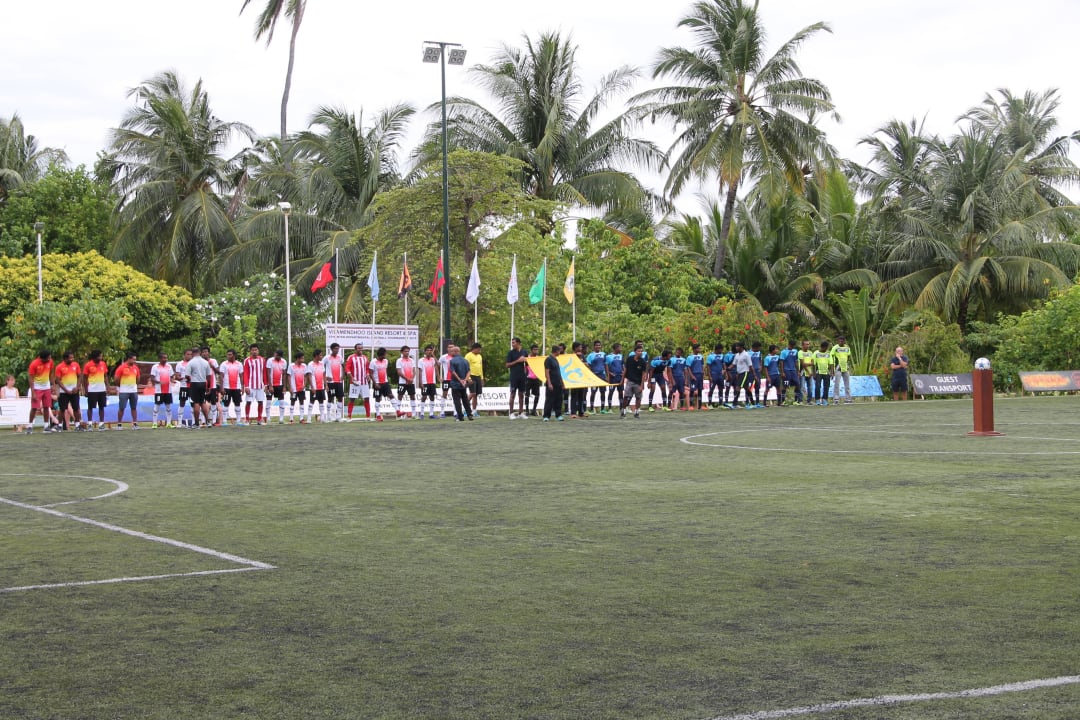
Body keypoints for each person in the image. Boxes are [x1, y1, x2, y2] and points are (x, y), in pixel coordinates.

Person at [27, 350, 57, 433]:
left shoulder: (50, 362)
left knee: (47, 407)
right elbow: (31, 378)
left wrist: (53, 385)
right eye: (48, 358)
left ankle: (46, 426)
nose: (50, 359)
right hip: (37, 388)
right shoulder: (34, 364)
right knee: (34, 407)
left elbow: (51, 374)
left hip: (46, 388)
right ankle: (30, 426)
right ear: (42, 358)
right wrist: (33, 392)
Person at [54, 351, 84, 430]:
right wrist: (66, 390)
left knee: (76, 408)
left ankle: (77, 425)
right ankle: (59, 425)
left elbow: (80, 376)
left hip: (74, 391)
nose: (72, 359)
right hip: (64, 392)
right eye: (70, 358)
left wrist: (77, 387)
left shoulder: (76, 365)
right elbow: (58, 380)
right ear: (65, 358)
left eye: (72, 357)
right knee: (62, 409)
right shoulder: (59, 367)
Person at [185, 347, 213, 428]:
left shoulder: (190, 362)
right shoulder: (205, 362)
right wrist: (208, 386)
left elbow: (187, 375)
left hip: (194, 383)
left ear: (192, 353)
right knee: (203, 402)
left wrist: (188, 380)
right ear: (200, 352)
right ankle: (208, 422)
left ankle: (196, 423)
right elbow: (209, 376)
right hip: (203, 383)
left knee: (196, 403)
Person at [370, 347, 400, 422]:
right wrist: (375, 383)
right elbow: (370, 373)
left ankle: (398, 411)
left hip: (385, 382)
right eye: (385, 354)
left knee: (391, 395)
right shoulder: (373, 362)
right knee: (378, 398)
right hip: (377, 383)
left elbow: (385, 371)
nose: (386, 355)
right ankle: (378, 415)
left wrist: (386, 380)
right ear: (381, 354)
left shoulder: (385, 361)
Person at [114, 352, 141, 429]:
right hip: (124, 391)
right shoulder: (121, 367)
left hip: (133, 391)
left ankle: (135, 424)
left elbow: (138, 378)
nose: (134, 361)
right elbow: (116, 378)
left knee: (134, 407)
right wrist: (121, 386)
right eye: (133, 359)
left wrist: (135, 385)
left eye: (135, 359)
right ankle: (119, 424)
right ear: (129, 359)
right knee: (122, 407)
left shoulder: (136, 368)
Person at [621, 341, 648, 419]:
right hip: (630, 381)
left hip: (638, 382)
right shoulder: (629, 359)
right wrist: (622, 380)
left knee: (638, 398)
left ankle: (636, 412)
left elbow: (643, 374)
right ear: (635, 352)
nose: (640, 352)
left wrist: (642, 385)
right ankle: (623, 411)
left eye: (641, 351)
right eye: (638, 351)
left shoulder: (643, 362)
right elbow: (625, 370)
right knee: (626, 397)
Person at [346, 343, 372, 421]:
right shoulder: (351, 357)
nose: (360, 350)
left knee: (366, 398)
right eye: (358, 348)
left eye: (361, 348)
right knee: (352, 399)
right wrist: (352, 378)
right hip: (355, 382)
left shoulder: (365, 358)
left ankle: (368, 416)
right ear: (355, 349)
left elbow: (367, 368)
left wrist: (368, 375)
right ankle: (349, 416)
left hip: (364, 382)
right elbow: (347, 369)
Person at [149, 351, 175, 428]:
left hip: (168, 391)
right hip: (159, 391)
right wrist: (159, 382)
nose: (165, 359)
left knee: (168, 407)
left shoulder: (169, 366)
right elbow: (152, 378)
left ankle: (169, 423)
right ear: (160, 358)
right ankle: (154, 423)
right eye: (164, 358)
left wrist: (172, 379)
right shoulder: (155, 367)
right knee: (156, 407)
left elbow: (172, 376)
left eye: (166, 358)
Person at [447, 345, 473, 421]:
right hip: (464, 384)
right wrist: (465, 379)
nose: (451, 352)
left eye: (452, 351)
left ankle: (460, 416)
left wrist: (460, 380)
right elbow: (469, 371)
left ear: (456, 352)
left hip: (455, 384)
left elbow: (453, 372)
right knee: (465, 399)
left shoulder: (452, 361)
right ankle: (469, 414)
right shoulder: (465, 360)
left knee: (457, 400)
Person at [243, 343, 268, 425]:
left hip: (260, 386)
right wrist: (246, 386)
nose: (254, 351)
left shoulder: (262, 360)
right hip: (251, 386)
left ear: (258, 351)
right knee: (249, 402)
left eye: (256, 350)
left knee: (260, 402)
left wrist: (266, 384)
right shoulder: (247, 360)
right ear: (250, 351)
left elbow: (264, 372)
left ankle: (259, 419)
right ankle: (246, 419)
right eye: (253, 350)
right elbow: (245, 374)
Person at [505, 337, 529, 419]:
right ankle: (511, 413)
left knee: (521, 394)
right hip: (514, 376)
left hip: (522, 376)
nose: (512, 344)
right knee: (513, 394)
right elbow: (507, 365)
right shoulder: (511, 353)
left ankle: (521, 412)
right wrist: (518, 361)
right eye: (512, 343)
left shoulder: (524, 352)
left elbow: (528, 364)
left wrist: (527, 369)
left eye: (514, 343)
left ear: (518, 343)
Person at [219, 349, 245, 425]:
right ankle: (224, 421)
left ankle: (238, 420)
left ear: (234, 355)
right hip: (227, 388)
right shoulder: (224, 364)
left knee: (237, 404)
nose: (228, 356)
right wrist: (222, 387)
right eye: (227, 354)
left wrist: (242, 387)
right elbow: (221, 376)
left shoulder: (239, 364)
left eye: (230, 354)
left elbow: (241, 376)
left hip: (236, 388)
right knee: (226, 404)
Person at [323, 342, 346, 422]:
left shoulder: (340, 357)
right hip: (331, 382)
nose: (337, 350)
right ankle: (329, 416)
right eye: (336, 349)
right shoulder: (327, 358)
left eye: (338, 349)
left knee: (340, 397)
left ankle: (338, 416)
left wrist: (343, 375)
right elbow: (321, 368)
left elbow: (344, 366)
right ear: (331, 349)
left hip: (338, 381)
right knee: (330, 398)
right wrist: (325, 377)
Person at [542, 344, 565, 421]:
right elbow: (547, 372)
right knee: (549, 400)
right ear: (556, 351)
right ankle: (546, 416)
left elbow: (559, 373)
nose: (560, 352)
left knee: (559, 400)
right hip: (552, 383)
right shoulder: (548, 359)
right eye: (559, 351)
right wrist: (549, 383)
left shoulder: (556, 360)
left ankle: (558, 415)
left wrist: (562, 383)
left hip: (558, 383)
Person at [200, 346, 222, 427]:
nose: (205, 353)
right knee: (202, 403)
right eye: (203, 352)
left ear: (209, 353)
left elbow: (218, 371)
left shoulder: (213, 361)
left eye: (206, 352)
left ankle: (213, 421)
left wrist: (212, 366)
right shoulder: (200, 362)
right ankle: (203, 421)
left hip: (212, 385)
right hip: (202, 385)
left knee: (213, 403)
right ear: (201, 353)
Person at [417, 345, 439, 419]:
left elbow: (438, 364)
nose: (429, 352)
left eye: (430, 350)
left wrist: (433, 355)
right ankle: (422, 413)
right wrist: (421, 382)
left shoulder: (433, 360)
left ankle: (431, 414)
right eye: (428, 350)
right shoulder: (421, 360)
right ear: (425, 351)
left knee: (432, 397)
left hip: (432, 382)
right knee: (424, 396)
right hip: (425, 382)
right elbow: (420, 372)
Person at [266, 349, 289, 423]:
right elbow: (268, 373)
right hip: (271, 384)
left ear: (280, 356)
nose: (275, 356)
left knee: (281, 401)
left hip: (280, 385)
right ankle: (268, 418)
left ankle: (281, 418)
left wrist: (284, 386)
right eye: (275, 354)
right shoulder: (270, 360)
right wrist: (270, 385)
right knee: (268, 401)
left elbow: (284, 374)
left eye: (277, 355)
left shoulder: (284, 361)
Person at [830, 336, 853, 405]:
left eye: (842, 341)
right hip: (838, 367)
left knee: (847, 384)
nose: (841, 342)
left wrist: (846, 364)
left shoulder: (847, 348)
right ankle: (836, 399)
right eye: (840, 341)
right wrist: (833, 369)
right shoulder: (835, 348)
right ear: (838, 341)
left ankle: (848, 399)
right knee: (837, 384)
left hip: (845, 367)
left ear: (844, 341)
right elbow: (832, 357)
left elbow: (848, 356)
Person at [585, 340, 607, 414]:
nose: (598, 346)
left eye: (599, 345)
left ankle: (603, 408)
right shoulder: (590, 355)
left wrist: (607, 375)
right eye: (597, 345)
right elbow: (588, 366)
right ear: (594, 346)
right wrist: (591, 374)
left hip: (602, 375)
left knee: (603, 392)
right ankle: (591, 409)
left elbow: (606, 364)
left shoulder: (603, 354)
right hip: (594, 376)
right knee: (593, 392)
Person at [173, 348, 193, 427]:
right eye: (188, 354)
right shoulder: (180, 364)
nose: (189, 356)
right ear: (184, 355)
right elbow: (177, 376)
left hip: (192, 387)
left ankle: (194, 421)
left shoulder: (193, 363)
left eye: (191, 354)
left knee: (193, 404)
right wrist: (183, 378)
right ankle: (180, 422)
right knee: (182, 403)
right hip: (184, 386)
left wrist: (191, 379)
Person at [395, 345, 417, 419]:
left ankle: (414, 414)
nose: (407, 353)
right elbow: (399, 372)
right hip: (402, 382)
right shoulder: (399, 360)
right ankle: (398, 413)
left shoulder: (412, 360)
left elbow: (414, 371)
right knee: (400, 396)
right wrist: (407, 378)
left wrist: (412, 378)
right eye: (405, 351)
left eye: (408, 351)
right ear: (402, 352)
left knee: (412, 396)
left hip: (411, 382)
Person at [288, 350, 310, 423]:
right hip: (294, 388)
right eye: (302, 358)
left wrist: (304, 385)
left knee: (302, 402)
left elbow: (306, 376)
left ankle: (301, 419)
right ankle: (291, 419)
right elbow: (288, 376)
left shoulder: (304, 366)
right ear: (297, 358)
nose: (303, 360)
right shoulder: (291, 366)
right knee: (292, 402)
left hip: (301, 388)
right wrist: (290, 387)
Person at [779, 340, 802, 406]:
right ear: (789, 344)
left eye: (793, 346)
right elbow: (781, 362)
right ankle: (783, 401)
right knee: (785, 385)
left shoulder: (795, 351)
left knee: (797, 384)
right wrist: (782, 372)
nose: (792, 347)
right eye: (791, 346)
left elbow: (796, 361)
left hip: (794, 371)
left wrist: (798, 371)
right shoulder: (783, 352)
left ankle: (796, 400)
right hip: (786, 371)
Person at [308, 348, 329, 421]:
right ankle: (309, 418)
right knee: (312, 401)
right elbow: (309, 376)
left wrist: (326, 385)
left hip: (321, 386)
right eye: (320, 355)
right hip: (314, 387)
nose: (321, 356)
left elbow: (324, 375)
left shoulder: (322, 364)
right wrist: (312, 387)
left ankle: (322, 418)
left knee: (321, 402)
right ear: (316, 356)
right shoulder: (310, 364)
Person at [731, 342, 753, 409]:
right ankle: (753, 402)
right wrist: (726, 369)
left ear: (741, 347)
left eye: (737, 346)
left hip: (745, 373)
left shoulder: (746, 355)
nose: (736, 348)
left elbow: (750, 366)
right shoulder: (737, 355)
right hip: (739, 373)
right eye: (736, 346)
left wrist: (754, 375)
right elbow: (733, 364)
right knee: (747, 388)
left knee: (738, 387)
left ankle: (734, 403)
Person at [464, 342, 484, 413]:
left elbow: (481, 367)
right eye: (479, 349)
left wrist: (482, 378)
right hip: (471, 376)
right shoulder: (468, 356)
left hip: (478, 376)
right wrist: (468, 378)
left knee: (476, 394)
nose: (479, 351)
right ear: (474, 349)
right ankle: (465, 409)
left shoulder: (479, 356)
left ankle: (474, 411)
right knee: (472, 393)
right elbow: (465, 367)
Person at [812, 341, 833, 406]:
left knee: (826, 387)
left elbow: (831, 364)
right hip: (818, 372)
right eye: (826, 347)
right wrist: (814, 373)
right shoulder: (816, 353)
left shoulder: (828, 354)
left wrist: (832, 373)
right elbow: (813, 364)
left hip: (826, 373)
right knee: (818, 387)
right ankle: (817, 400)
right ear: (823, 347)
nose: (826, 349)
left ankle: (824, 400)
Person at [706, 344, 725, 409]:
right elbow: (708, 366)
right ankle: (709, 404)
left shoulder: (722, 355)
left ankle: (720, 403)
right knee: (711, 389)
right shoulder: (710, 356)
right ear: (717, 349)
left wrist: (724, 370)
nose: (722, 351)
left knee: (721, 389)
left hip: (720, 375)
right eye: (721, 349)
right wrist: (709, 376)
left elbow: (723, 364)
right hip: (713, 375)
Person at [798, 339, 816, 406]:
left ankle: (809, 401)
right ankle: (800, 401)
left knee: (810, 387)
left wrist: (811, 371)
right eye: (806, 344)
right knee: (802, 387)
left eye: (808, 344)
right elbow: (803, 364)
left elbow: (813, 363)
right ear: (803, 345)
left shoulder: (810, 352)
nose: (808, 346)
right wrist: (808, 370)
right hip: (803, 372)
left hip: (810, 373)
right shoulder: (800, 352)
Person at [525, 344, 542, 417]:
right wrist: (525, 376)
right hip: (529, 378)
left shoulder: (538, 358)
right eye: (535, 349)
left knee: (537, 395)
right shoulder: (528, 358)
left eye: (537, 349)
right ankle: (527, 410)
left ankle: (534, 410)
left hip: (536, 378)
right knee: (527, 395)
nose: (536, 351)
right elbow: (525, 368)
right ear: (531, 350)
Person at [686, 344, 705, 411]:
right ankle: (691, 405)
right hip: (694, 375)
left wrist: (703, 372)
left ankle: (700, 406)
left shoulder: (701, 356)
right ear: (694, 349)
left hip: (700, 375)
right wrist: (691, 376)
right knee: (692, 390)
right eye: (698, 348)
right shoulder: (689, 357)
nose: (699, 350)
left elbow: (702, 365)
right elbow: (688, 367)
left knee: (700, 390)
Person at [748, 341, 764, 408]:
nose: (759, 349)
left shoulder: (759, 353)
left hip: (757, 372)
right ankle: (751, 402)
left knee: (757, 387)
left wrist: (760, 367)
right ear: (755, 347)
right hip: (750, 372)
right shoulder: (748, 353)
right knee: (750, 387)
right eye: (759, 347)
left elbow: (760, 360)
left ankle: (757, 402)